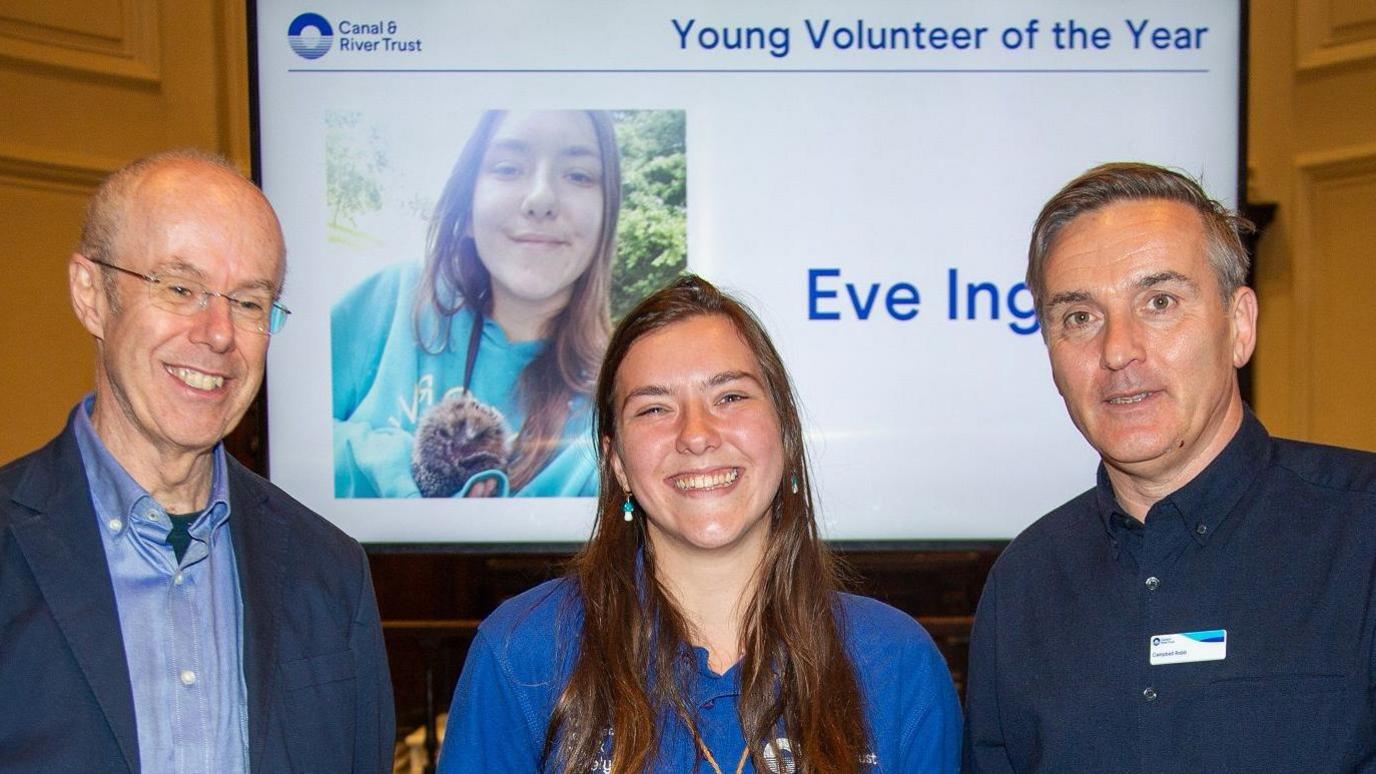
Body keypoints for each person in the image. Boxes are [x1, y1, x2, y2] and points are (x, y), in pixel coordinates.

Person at [438, 275, 961, 772]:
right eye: (654, 409)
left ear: (783, 434)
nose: (696, 434)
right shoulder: (523, 652)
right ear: (616, 461)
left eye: (729, 397)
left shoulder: (895, 663)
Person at [963, 162, 1376, 772]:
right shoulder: (1024, 584)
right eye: (1079, 317)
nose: (1118, 350)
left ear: (1239, 326)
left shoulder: (1361, 532)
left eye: (1159, 302)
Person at [0, 150, 395, 772]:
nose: (217, 334)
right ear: (91, 295)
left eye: (249, 303)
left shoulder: (331, 572)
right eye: (180, 288)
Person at [332, 110, 621, 499]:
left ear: (607, 218)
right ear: (466, 209)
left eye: (578, 175)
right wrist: (395, 464)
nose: (540, 199)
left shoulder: (621, 386)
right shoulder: (392, 300)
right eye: (507, 168)